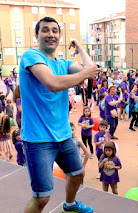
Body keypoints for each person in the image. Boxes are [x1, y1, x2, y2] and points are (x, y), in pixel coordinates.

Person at [19, 17, 101, 213]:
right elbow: (53, 84)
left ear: (60, 36)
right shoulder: (31, 56)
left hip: (63, 135)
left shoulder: (63, 63)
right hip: (38, 140)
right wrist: (86, 73)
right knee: (42, 198)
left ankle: (69, 205)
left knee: (77, 173)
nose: (50, 34)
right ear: (36, 35)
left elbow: (91, 71)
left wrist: (80, 47)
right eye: (45, 30)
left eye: (55, 31)